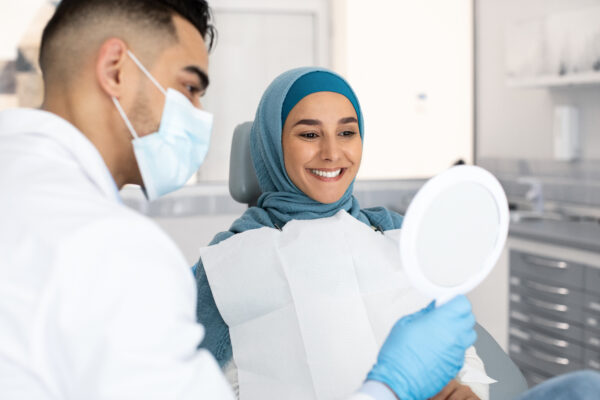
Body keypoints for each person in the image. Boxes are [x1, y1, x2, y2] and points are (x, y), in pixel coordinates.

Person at [0, 1, 476, 399]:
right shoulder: (124, 250)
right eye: (189, 87)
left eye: (347, 132)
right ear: (115, 70)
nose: (199, 116)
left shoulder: (393, 231)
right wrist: (392, 386)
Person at [194, 67, 491, 400]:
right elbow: (181, 380)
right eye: (309, 135)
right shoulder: (230, 260)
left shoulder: (395, 233)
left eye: (347, 133)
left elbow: (457, 350)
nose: (332, 153)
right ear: (272, 143)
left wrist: (466, 391)